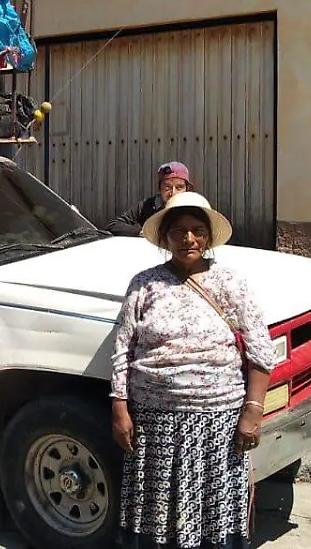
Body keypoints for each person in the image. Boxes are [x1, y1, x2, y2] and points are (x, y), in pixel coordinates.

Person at [110, 191, 275, 549]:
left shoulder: (231, 283)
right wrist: (120, 409)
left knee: (211, 511)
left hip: (217, 420)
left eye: (197, 230)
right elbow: (123, 349)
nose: (188, 239)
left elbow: (262, 351)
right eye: (179, 231)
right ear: (165, 237)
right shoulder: (144, 284)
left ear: (208, 236)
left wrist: (253, 410)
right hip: (154, 422)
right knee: (157, 510)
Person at [105, 161, 193, 235]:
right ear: (159, 188)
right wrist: (142, 232)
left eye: (179, 187)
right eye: (167, 187)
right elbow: (114, 225)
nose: (173, 193)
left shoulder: (195, 208)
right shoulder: (147, 206)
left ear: (187, 189)